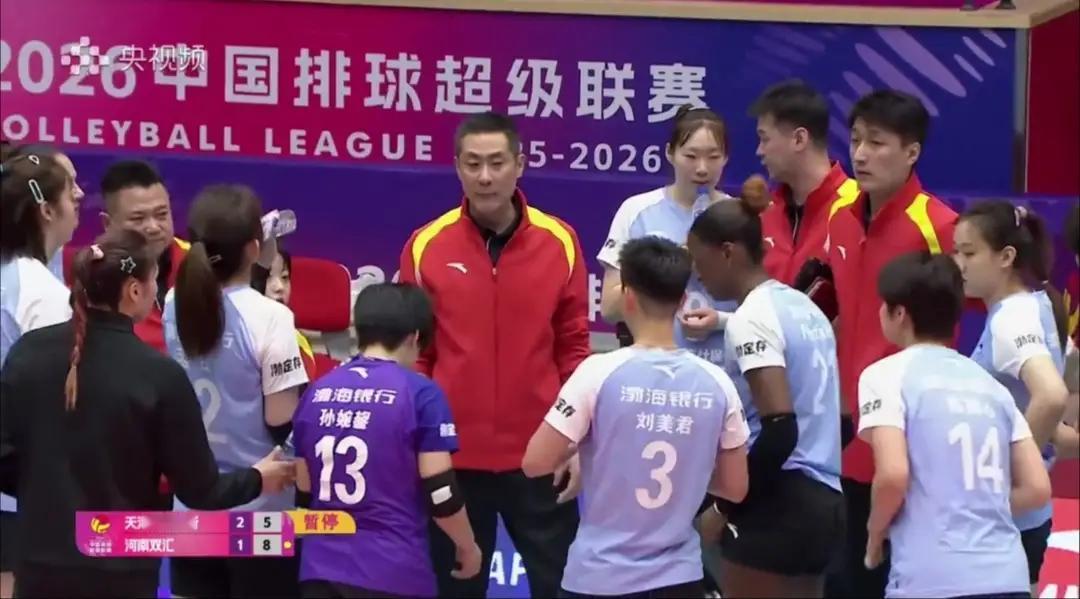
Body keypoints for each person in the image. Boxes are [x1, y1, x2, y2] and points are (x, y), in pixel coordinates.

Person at [0, 229, 296, 599]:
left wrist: (45, 491)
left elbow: (5, 460)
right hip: (121, 571)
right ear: (135, 291)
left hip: (38, 563)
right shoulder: (158, 376)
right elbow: (201, 490)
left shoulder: (26, 354)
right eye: (154, 280)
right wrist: (258, 478)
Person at [398, 111, 590, 598]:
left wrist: (576, 439)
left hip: (541, 454)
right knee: (454, 588)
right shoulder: (425, 245)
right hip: (452, 458)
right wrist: (421, 444)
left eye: (497, 163)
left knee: (562, 587)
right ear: (457, 167)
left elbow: (573, 348)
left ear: (519, 165)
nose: (485, 176)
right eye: (473, 164)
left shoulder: (560, 242)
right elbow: (414, 357)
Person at [522, 236, 749, 599]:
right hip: (680, 578)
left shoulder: (597, 372)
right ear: (681, 301)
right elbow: (735, 487)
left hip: (598, 578)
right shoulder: (718, 383)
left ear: (627, 296)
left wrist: (585, 450)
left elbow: (536, 462)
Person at [823, 90, 961, 597]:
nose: (860, 154)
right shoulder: (839, 217)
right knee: (843, 575)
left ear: (912, 152)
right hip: (841, 428)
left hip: (907, 435)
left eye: (877, 143)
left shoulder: (940, 227)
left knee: (892, 574)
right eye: (856, 140)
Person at [858, 251, 1051, 599]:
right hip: (1008, 576)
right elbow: (1037, 488)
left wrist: (874, 535)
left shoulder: (884, 375)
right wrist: (976, 507)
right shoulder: (991, 386)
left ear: (899, 314)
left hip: (931, 578)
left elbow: (892, 475)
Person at [687, 186, 845, 598]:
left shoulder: (751, 318)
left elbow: (780, 430)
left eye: (699, 261)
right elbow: (842, 419)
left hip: (778, 500)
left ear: (727, 252)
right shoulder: (805, 309)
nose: (697, 275)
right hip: (826, 502)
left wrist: (724, 507)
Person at [163, 184, 309, 598]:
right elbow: (281, 419)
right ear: (253, 248)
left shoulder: (174, 302)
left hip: (192, 505)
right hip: (261, 505)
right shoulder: (272, 317)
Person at [293, 283, 482, 598]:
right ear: (415, 337)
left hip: (320, 570)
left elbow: (304, 489)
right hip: (393, 570)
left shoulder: (317, 391)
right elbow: (441, 493)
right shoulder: (421, 393)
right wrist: (468, 546)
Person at [953, 200, 1070, 592]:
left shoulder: (1012, 318)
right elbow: (1044, 418)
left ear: (1006, 257)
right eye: (955, 252)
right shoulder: (1038, 303)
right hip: (1026, 519)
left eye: (969, 253)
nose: (959, 264)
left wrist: (1008, 477)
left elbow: (1051, 396)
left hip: (1004, 523)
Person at [598, 105, 738, 359]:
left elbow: (763, 312)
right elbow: (609, 308)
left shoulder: (740, 217)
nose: (702, 168)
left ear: (726, 157)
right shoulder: (636, 211)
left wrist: (720, 320)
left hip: (724, 369)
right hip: (654, 367)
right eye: (691, 156)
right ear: (670, 154)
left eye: (713, 157)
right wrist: (669, 267)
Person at [0, 151, 79, 597]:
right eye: (70, 191)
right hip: (17, 489)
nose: (79, 196)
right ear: (47, 210)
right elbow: (56, 402)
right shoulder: (42, 296)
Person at [749, 80, 859, 310]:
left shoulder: (859, 208)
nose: (759, 151)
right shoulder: (763, 214)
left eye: (765, 138)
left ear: (799, 139)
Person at [69, 159, 188, 353]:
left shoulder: (196, 264)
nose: (153, 227)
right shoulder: (89, 275)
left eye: (162, 214)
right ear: (107, 224)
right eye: (138, 219)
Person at [252, 248, 319, 379]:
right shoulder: (235, 340)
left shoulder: (296, 339)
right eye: (267, 277)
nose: (280, 287)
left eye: (284, 277)